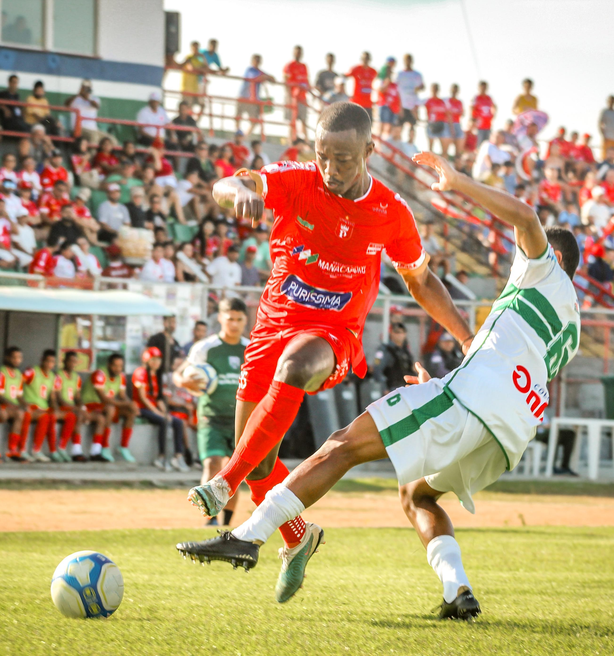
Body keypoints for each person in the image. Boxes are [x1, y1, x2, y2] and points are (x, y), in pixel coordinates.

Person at [176, 149, 582, 619]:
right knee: (417, 494)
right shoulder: (571, 319)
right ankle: (458, 592)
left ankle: (248, 536)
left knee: (343, 445)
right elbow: (514, 362)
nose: (519, 252)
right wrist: (454, 384)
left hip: (476, 397)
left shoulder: (540, 268)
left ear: (551, 257)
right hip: (515, 427)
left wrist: (457, 181)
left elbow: (527, 217)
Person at [185, 103, 474, 599]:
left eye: (342, 158)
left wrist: (467, 338)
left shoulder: (391, 212)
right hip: (270, 331)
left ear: (369, 151)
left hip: (332, 337)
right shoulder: (298, 180)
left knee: (296, 367)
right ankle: (300, 537)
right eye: (323, 156)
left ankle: (222, 484)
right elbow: (233, 185)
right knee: (260, 460)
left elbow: (421, 281)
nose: (330, 169)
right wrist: (234, 190)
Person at [174, 298, 249, 527]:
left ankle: (226, 524)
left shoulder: (250, 348)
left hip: (240, 420)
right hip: (211, 417)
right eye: (230, 319)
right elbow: (179, 375)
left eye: (239, 320)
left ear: (245, 320)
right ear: (220, 318)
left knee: (233, 472)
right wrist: (185, 382)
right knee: (212, 464)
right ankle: (210, 519)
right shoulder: (205, 348)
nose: (234, 324)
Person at [132, 346, 188, 472]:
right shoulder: (141, 373)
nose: (157, 362)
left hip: (153, 408)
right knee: (164, 421)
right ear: (147, 360)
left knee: (177, 422)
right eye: (154, 359)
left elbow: (159, 399)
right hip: (142, 408)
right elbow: (143, 397)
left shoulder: (157, 375)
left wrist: (165, 412)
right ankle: (161, 457)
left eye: (159, 360)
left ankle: (178, 456)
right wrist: (158, 413)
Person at [80, 353, 137, 462]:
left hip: (106, 406)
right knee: (110, 409)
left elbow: (122, 396)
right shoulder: (100, 374)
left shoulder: (121, 376)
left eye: (120, 366)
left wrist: (131, 405)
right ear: (108, 365)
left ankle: (123, 446)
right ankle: (104, 446)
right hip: (91, 404)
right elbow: (103, 399)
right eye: (115, 366)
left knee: (130, 412)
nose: (118, 369)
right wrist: (126, 404)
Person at [19, 349, 70, 462]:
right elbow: (19, 382)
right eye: (47, 361)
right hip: (31, 406)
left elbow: (52, 396)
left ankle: (53, 450)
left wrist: (55, 408)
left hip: (43, 408)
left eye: (52, 362)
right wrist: (22, 402)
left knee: (58, 416)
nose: (49, 364)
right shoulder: (32, 371)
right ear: (42, 360)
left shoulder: (53, 376)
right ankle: (27, 450)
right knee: (45, 417)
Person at [54, 351, 95, 462]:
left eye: (74, 362)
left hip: (72, 408)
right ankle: (74, 450)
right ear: (64, 361)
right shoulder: (58, 376)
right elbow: (58, 399)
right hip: (61, 407)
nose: (72, 364)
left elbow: (77, 397)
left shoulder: (76, 378)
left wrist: (82, 407)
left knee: (83, 414)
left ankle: (79, 450)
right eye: (70, 361)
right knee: (77, 414)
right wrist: (77, 409)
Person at [236, 54, 274, 136]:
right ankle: (238, 134)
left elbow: (272, 80)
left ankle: (244, 136)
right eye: (256, 60)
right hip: (243, 97)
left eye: (258, 60)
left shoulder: (260, 72)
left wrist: (267, 77)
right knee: (238, 117)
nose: (257, 62)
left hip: (253, 100)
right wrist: (266, 77)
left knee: (255, 120)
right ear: (252, 61)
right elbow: (256, 78)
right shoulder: (249, 70)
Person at [374, 322, 416, 393]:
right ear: (391, 333)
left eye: (402, 332)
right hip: (392, 389)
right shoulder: (385, 350)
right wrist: (384, 389)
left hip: (406, 388)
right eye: (397, 332)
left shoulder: (406, 351)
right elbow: (378, 370)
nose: (400, 335)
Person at [283, 45, 310, 141]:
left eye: (300, 52)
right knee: (292, 121)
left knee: (303, 120)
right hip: (292, 97)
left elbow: (307, 81)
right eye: (297, 52)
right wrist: (289, 96)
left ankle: (307, 142)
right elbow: (285, 81)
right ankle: (290, 141)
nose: (298, 54)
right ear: (294, 53)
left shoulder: (304, 66)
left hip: (302, 97)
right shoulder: (289, 66)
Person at [395, 54, 424, 143]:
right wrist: (399, 107)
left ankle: (410, 144)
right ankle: (398, 145)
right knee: (399, 126)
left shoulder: (417, 74)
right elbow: (396, 89)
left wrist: (418, 88)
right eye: (406, 60)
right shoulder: (400, 74)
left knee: (412, 126)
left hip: (413, 105)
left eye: (409, 60)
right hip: (402, 104)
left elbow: (422, 86)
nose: (408, 62)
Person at [424, 83, 452, 156]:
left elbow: (448, 114)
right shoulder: (428, 101)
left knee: (445, 149)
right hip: (432, 124)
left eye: (436, 89)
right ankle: (429, 166)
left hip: (442, 124)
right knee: (431, 149)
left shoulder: (442, 101)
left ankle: (443, 166)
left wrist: (451, 128)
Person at [470, 81, 496, 145]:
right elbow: (471, 108)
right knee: (479, 144)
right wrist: (473, 120)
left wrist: (493, 115)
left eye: (485, 87)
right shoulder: (476, 97)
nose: (483, 89)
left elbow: (494, 106)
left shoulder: (489, 98)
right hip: (479, 126)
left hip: (488, 125)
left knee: (487, 144)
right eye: (482, 87)